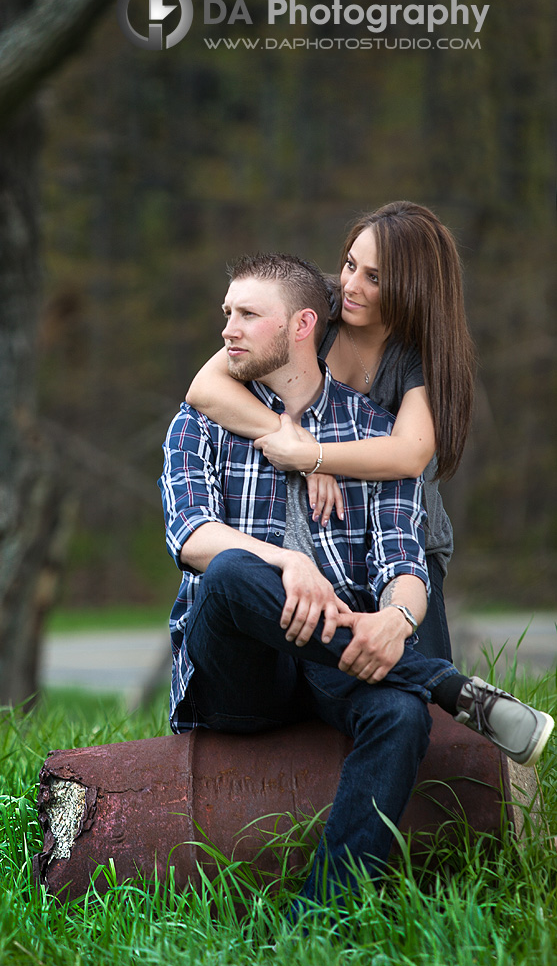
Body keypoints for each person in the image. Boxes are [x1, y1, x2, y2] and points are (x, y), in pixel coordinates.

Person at [159, 252, 552, 919]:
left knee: (397, 716)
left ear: (303, 325)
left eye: (247, 315)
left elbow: (404, 563)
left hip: (336, 666)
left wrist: (395, 620)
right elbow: (190, 535)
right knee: (228, 571)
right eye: (226, 313)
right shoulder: (200, 420)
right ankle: (436, 681)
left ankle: (320, 920)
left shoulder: (370, 432)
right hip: (239, 675)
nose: (227, 329)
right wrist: (284, 562)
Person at [185, 201, 475, 663]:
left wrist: (319, 456)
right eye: (350, 264)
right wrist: (295, 439)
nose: (351, 285)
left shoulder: (422, 356)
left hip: (398, 538)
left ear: (414, 288)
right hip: (320, 528)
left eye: (374, 278)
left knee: (413, 679)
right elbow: (205, 388)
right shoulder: (319, 306)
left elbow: (409, 455)